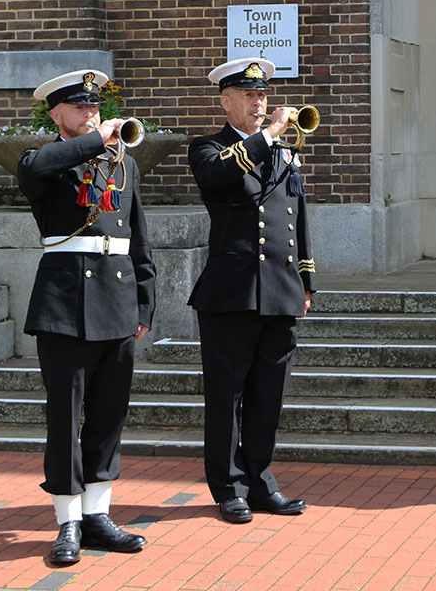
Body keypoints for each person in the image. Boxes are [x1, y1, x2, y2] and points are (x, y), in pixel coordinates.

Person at [17, 68, 156, 562]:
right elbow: (36, 168)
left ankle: (98, 513)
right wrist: (93, 139)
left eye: (95, 107)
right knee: (64, 416)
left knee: (109, 414)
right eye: (79, 107)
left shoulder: (123, 165)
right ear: (55, 114)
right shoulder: (44, 163)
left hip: (116, 300)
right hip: (65, 303)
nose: (92, 114)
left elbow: (137, 236)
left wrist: (145, 299)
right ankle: (67, 520)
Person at [187, 57, 315, 524]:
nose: (259, 102)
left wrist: (305, 281)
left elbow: (298, 219)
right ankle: (229, 487)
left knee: (268, 395)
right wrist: (267, 138)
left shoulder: (282, 152)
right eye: (248, 95)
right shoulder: (208, 147)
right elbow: (218, 175)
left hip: (279, 291)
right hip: (231, 292)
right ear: (225, 101)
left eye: (262, 95)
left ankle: (260, 481)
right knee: (226, 396)